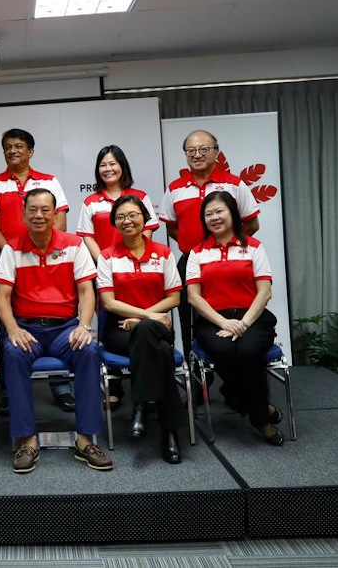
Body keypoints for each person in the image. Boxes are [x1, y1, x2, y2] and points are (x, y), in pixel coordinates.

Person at [0, 188, 111, 474]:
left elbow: (87, 291)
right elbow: (2, 297)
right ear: (23, 214)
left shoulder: (74, 245)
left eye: (45, 210)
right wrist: (12, 329)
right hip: (28, 329)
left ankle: (85, 441)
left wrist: (85, 326)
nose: (39, 215)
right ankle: (27, 441)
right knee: (12, 352)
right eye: (32, 209)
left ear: (56, 213)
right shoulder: (12, 248)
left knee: (88, 350)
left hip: (64, 329)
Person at [0, 129, 73, 414]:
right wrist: (15, 252)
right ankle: (9, 390)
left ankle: (60, 387)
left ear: (31, 150)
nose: (13, 151)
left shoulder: (49, 181)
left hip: (50, 259)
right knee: (10, 323)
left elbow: (61, 221)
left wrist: (41, 249)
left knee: (54, 317)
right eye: (7, 147)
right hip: (11, 260)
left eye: (19, 146)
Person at [186, 191, 283, 446]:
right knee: (224, 350)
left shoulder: (253, 247)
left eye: (219, 211)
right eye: (208, 214)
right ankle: (261, 414)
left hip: (253, 316)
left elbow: (265, 291)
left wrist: (244, 324)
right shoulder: (197, 253)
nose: (214, 218)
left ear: (233, 213)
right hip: (213, 320)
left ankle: (248, 407)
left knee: (249, 350)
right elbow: (194, 298)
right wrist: (223, 322)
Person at [157, 130, 260, 357]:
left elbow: (252, 224)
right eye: (191, 151)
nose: (197, 155)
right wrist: (196, 249)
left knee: (232, 312)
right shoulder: (175, 188)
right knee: (188, 318)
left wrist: (224, 244)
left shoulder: (233, 184)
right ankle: (195, 377)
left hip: (230, 261)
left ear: (216, 152)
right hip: (189, 263)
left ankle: (233, 368)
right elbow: (172, 227)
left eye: (204, 149)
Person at [97, 196, 184, 464]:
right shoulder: (107, 256)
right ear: (114, 222)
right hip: (120, 329)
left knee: (149, 336)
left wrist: (144, 321)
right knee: (163, 353)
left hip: (155, 327)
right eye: (121, 217)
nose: (127, 221)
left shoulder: (164, 253)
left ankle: (141, 405)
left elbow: (174, 298)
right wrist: (146, 316)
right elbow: (108, 302)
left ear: (145, 218)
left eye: (133, 215)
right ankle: (170, 433)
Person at [77, 144, 159, 263]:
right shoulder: (90, 202)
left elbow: (147, 229)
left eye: (112, 164)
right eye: (103, 165)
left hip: (137, 264)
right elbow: (88, 237)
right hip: (104, 266)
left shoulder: (140, 197)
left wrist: (137, 256)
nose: (108, 169)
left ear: (122, 166)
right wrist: (103, 263)